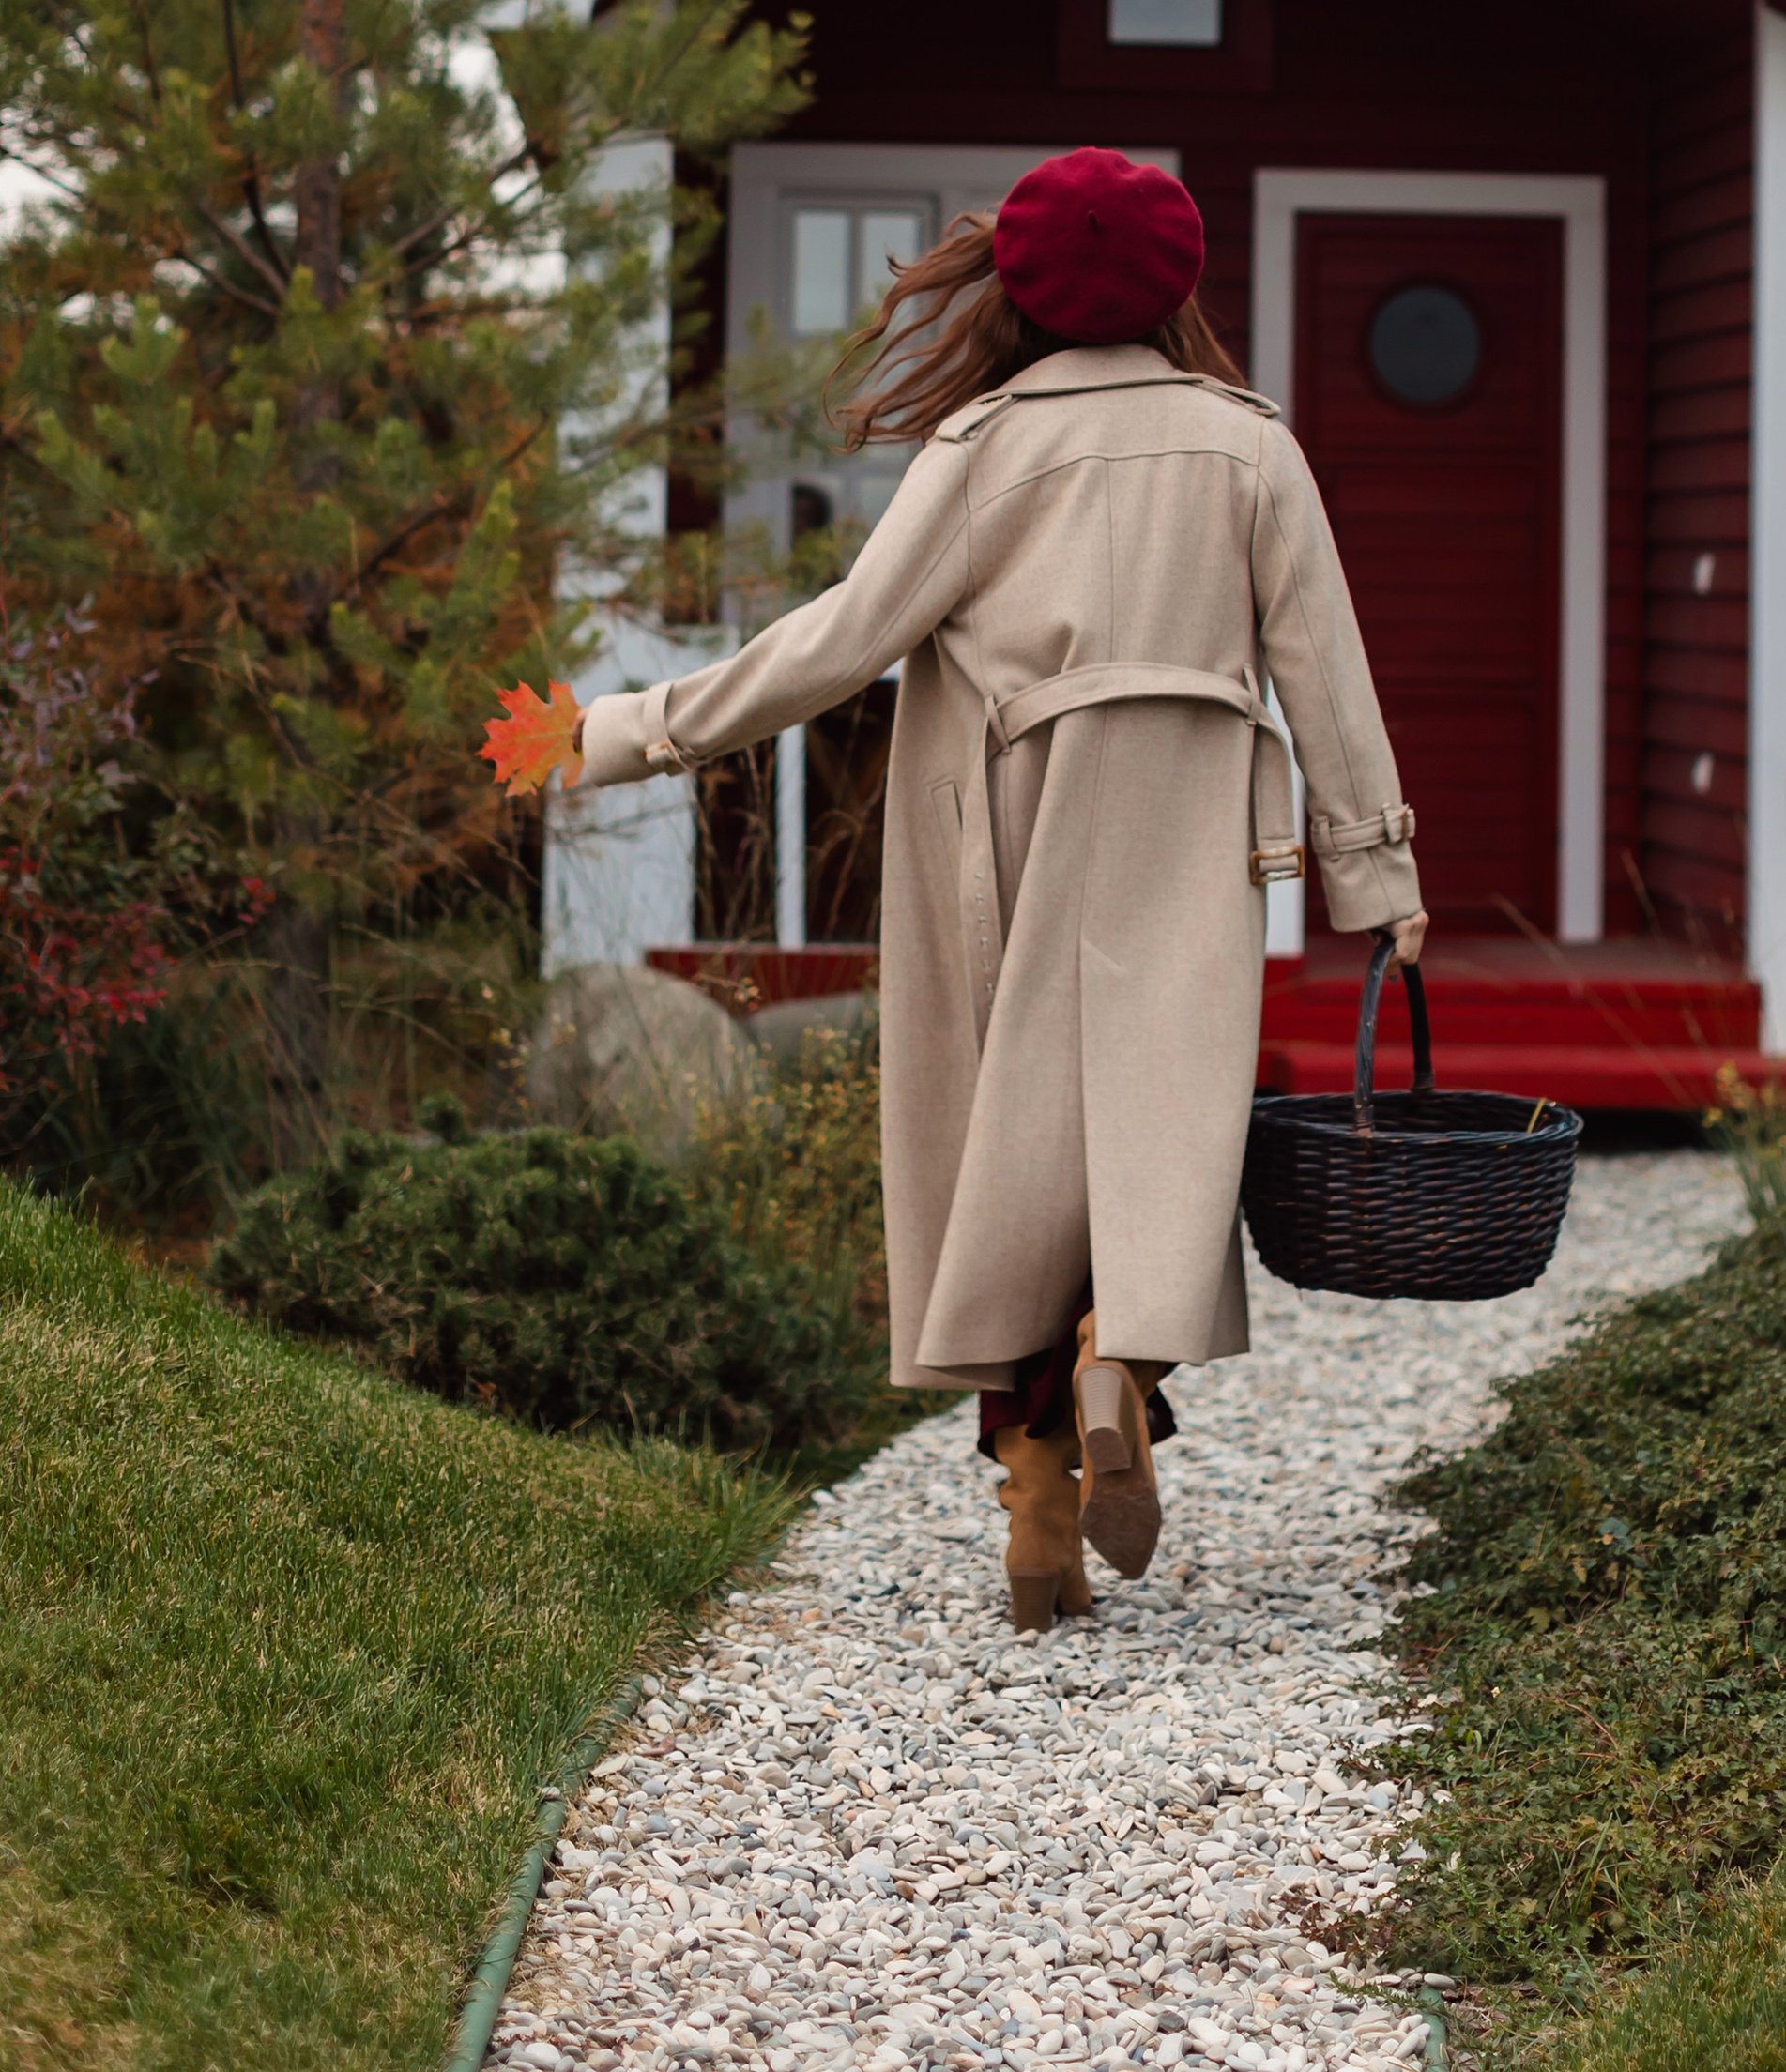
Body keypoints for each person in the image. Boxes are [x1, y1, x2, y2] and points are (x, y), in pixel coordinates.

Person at [570, 146, 1428, 1629]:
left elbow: (842, 640)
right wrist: (1377, 869)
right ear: (1178, 282)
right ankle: (1119, 1359)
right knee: (1169, 1126)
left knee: (1014, 1155)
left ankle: (1038, 1522)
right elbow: (1325, 666)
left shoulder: (980, 446)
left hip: (1015, 819)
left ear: (1017, 289)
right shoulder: (1251, 446)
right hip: (1195, 815)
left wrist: (633, 729)